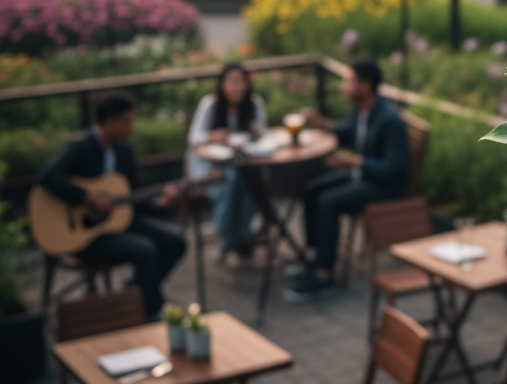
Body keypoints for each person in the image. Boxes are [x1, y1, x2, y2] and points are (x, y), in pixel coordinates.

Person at [39, 94, 187, 319]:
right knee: (144, 250)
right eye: (127, 122)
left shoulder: (124, 151)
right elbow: (48, 176)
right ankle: (151, 311)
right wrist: (87, 198)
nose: (131, 127)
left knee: (175, 244)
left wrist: (161, 203)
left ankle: (134, 294)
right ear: (109, 122)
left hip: (118, 223)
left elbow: (134, 197)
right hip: (85, 234)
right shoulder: (81, 147)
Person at [285, 60, 409, 299]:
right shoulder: (361, 109)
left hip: (385, 187)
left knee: (328, 202)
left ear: (366, 86)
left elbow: (394, 168)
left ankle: (324, 274)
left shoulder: (389, 119)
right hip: (364, 176)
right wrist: (323, 123)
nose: (344, 87)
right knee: (311, 190)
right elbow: (350, 135)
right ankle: (317, 257)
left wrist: (354, 162)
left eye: (349, 82)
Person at [187, 64, 268, 260]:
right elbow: (193, 138)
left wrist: (256, 131)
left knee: (251, 179)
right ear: (222, 84)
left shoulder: (253, 103)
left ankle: (240, 236)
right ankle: (230, 236)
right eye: (232, 82)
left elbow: (264, 134)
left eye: (241, 82)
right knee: (231, 181)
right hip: (213, 166)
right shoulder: (211, 104)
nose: (237, 87)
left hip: (246, 162)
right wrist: (212, 136)